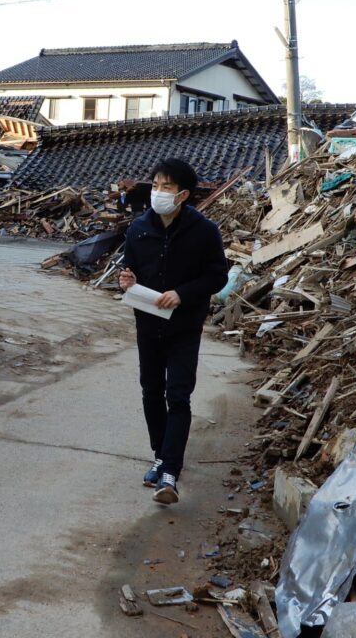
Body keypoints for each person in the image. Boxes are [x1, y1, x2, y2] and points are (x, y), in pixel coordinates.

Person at [119, 159, 228, 505]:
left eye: (166, 187)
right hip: (148, 324)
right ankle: (159, 456)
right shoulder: (138, 229)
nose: (158, 192)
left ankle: (170, 471)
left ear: (182, 195)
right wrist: (128, 281)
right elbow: (130, 270)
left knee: (178, 394)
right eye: (155, 185)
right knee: (151, 391)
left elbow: (217, 276)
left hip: (184, 326)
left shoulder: (204, 231)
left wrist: (183, 293)